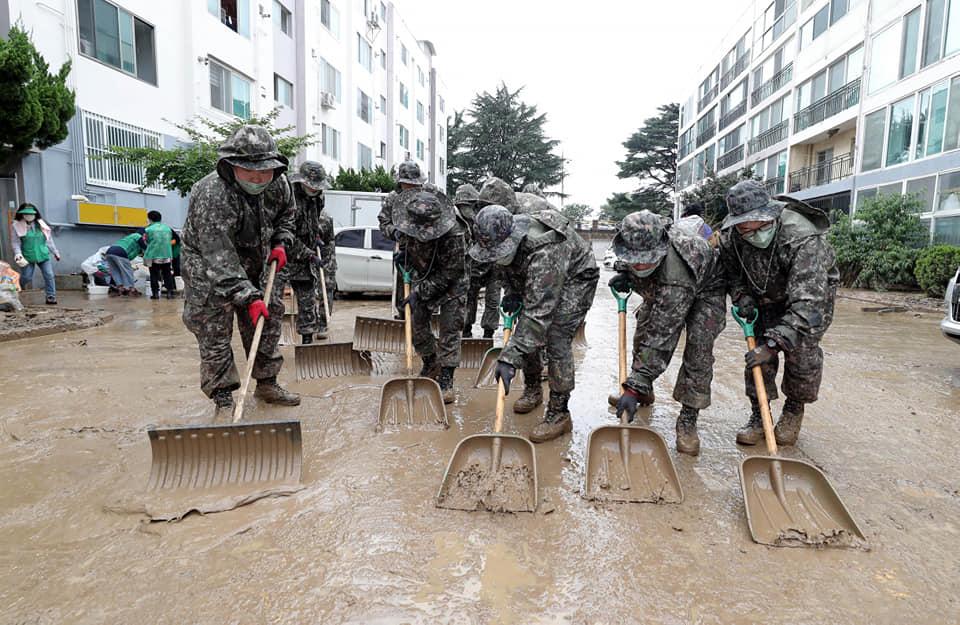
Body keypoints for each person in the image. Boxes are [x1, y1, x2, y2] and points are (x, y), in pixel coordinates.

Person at [180, 124, 299, 416]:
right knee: (213, 330)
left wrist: (282, 242)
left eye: (265, 171)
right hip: (207, 267)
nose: (258, 178)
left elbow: (287, 216)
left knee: (266, 320)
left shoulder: (278, 184)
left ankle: (267, 383)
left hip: (257, 260)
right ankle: (223, 398)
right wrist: (247, 296)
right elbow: (218, 254)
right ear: (231, 166)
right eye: (249, 172)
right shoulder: (211, 194)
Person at [719, 180, 839, 447]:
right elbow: (732, 274)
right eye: (745, 229)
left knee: (801, 356)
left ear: (770, 215)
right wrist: (742, 295)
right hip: (763, 295)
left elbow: (809, 302)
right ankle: (759, 414)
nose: (752, 233)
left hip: (810, 298)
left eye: (759, 227)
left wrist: (775, 343)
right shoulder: (731, 238)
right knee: (756, 357)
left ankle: (793, 410)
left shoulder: (802, 237)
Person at [470, 204, 599, 443]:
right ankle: (533, 389)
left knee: (555, 337)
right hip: (539, 275)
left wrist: (509, 358)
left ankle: (559, 413)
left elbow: (539, 313)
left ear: (511, 240)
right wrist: (512, 292)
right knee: (524, 329)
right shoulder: (503, 235)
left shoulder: (545, 249)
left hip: (576, 277)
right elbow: (507, 267)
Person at [609, 211, 726, 455]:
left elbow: (663, 337)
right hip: (662, 284)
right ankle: (644, 390)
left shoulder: (676, 273)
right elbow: (632, 261)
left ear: (659, 250)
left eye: (645, 260)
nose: (639, 264)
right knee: (643, 331)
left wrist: (630, 388)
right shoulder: (638, 239)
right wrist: (625, 273)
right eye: (634, 259)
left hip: (706, 290)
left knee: (698, 351)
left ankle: (688, 419)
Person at [393, 191, 469, 404]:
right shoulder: (408, 222)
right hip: (423, 275)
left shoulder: (454, 233)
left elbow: (452, 272)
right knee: (416, 323)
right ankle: (430, 362)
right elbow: (408, 247)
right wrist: (404, 257)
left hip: (452, 284)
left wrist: (421, 292)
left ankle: (447, 378)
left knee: (450, 329)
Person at [284, 161, 332, 343]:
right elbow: (285, 233)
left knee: (307, 299)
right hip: (283, 254)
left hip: (305, 257)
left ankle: (307, 339)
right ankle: (268, 341)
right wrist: (309, 253)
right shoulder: (288, 197)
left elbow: (313, 221)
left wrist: (315, 238)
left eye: (317, 186)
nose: (314, 189)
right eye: (310, 186)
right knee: (273, 299)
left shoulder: (318, 197)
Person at [379, 160, 428, 318]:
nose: (410, 188)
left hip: (426, 252)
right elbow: (384, 223)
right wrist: (394, 232)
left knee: (423, 293)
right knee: (402, 294)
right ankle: (402, 319)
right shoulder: (393, 199)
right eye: (407, 184)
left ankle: (420, 326)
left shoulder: (427, 196)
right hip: (404, 252)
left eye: (414, 185)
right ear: (400, 183)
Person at [457, 184, 498, 339]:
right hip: (471, 267)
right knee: (469, 298)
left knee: (493, 300)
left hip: (492, 265)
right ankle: (466, 331)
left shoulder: (486, 217)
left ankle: (489, 334)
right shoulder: (458, 222)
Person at [10, 203, 60, 304]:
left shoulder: (42, 224)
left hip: (43, 254)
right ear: (22, 214)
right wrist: (18, 254)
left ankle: (51, 296)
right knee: (26, 277)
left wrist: (55, 252)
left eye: (31, 214)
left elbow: (49, 240)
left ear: (35, 214)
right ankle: (13, 289)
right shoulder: (16, 226)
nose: (29, 216)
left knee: (49, 274)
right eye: (26, 214)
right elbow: (15, 242)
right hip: (27, 256)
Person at [143, 210, 177, 300]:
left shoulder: (148, 229)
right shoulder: (168, 228)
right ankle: (170, 293)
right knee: (167, 273)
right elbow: (171, 240)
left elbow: (147, 241)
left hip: (153, 254)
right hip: (167, 254)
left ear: (150, 219)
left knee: (154, 274)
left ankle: (155, 294)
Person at [104, 231, 145, 297]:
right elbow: (145, 247)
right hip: (119, 251)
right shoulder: (137, 235)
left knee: (116, 271)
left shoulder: (128, 239)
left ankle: (120, 289)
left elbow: (128, 258)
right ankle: (131, 289)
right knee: (128, 271)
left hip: (109, 252)